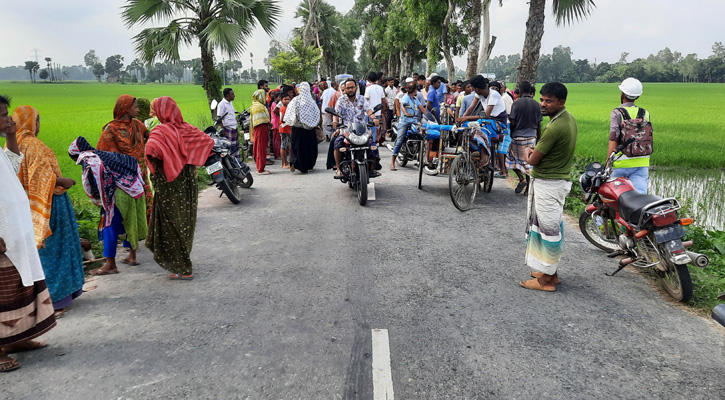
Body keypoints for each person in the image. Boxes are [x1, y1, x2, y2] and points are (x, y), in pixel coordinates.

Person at [0, 95, 57, 373]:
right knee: (2, 294)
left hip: (14, 231)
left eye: (8, 114)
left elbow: (13, 164)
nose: (8, 119)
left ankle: (14, 340)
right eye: (2, 115)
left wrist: (10, 135)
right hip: (1, 237)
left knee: (19, 288)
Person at [12, 106, 84, 314]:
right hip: (51, 204)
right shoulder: (34, 145)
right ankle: (56, 297)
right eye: (37, 121)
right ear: (31, 123)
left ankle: (49, 297)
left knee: (44, 251)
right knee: (57, 250)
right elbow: (43, 178)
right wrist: (64, 180)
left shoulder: (14, 146)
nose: (39, 126)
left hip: (30, 207)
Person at [144, 97, 214, 280]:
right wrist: (186, 157)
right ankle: (182, 260)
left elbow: (151, 151)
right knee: (185, 220)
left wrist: (165, 161)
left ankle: (182, 267)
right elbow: (206, 141)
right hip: (188, 179)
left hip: (170, 182)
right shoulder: (187, 128)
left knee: (170, 221)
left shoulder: (161, 131)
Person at [519, 82, 578, 292]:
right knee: (546, 227)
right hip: (555, 182)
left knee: (548, 231)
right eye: (542, 99)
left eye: (548, 101)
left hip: (549, 184)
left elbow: (533, 160)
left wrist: (527, 152)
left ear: (561, 102)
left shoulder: (554, 127)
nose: (543, 104)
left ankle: (547, 280)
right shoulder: (567, 118)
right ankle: (547, 271)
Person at [69, 137, 147, 276]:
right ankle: (132, 256)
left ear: (77, 153)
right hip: (134, 189)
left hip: (117, 195)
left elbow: (95, 183)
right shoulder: (103, 154)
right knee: (130, 222)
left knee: (108, 226)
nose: (75, 161)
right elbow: (132, 161)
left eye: (73, 157)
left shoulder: (88, 159)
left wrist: (101, 200)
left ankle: (110, 265)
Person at [98, 94, 152, 224]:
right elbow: (101, 155)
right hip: (123, 179)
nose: (138, 110)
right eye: (135, 107)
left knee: (147, 204)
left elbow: (152, 137)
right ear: (126, 108)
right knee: (126, 210)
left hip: (141, 173)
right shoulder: (110, 130)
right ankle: (128, 235)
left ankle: (146, 233)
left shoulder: (138, 125)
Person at [608, 77, 651, 194]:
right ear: (638, 96)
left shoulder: (617, 113)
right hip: (642, 163)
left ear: (622, 93)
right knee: (639, 200)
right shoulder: (645, 113)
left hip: (620, 163)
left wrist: (608, 163)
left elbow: (613, 139)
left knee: (614, 198)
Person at [332, 79, 380, 176]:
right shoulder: (341, 100)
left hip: (361, 130)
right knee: (337, 144)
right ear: (344, 89)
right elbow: (336, 113)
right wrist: (335, 121)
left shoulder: (362, 99)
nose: (350, 89)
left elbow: (369, 110)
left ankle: (371, 168)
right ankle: (338, 169)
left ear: (356, 88)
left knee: (373, 146)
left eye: (352, 87)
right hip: (346, 130)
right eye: (348, 88)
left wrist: (374, 118)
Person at [507, 81, 542, 195]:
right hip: (532, 137)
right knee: (529, 162)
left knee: (510, 159)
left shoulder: (516, 103)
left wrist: (511, 133)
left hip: (518, 136)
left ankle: (521, 178)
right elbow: (539, 124)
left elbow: (512, 122)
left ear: (520, 91)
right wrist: (538, 138)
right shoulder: (536, 104)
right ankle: (528, 189)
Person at [284, 82, 320, 174]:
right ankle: (309, 166)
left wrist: (293, 121)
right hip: (309, 129)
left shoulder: (295, 100)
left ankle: (297, 164)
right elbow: (316, 115)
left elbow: (289, 113)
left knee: (297, 147)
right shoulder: (311, 102)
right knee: (310, 147)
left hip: (297, 129)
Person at [391, 81, 427, 170]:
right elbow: (403, 106)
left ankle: (419, 159)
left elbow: (422, 108)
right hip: (404, 122)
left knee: (422, 137)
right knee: (399, 141)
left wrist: (429, 116)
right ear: (415, 90)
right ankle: (392, 162)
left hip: (414, 121)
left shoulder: (415, 99)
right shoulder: (405, 98)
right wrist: (406, 113)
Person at [488, 81, 512, 179]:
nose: (494, 91)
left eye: (496, 88)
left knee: (501, 150)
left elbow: (509, 113)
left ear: (501, 89)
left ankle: (503, 171)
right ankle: (502, 169)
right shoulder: (500, 97)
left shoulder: (504, 98)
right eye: (491, 88)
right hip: (501, 124)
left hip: (505, 124)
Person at [251, 89, 271, 175]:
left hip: (260, 128)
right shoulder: (258, 106)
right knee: (261, 148)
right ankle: (260, 168)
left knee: (260, 147)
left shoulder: (255, 105)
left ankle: (260, 167)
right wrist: (269, 123)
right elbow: (262, 119)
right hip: (261, 128)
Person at [217, 88, 240, 160]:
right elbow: (219, 117)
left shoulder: (230, 103)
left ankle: (237, 162)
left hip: (234, 127)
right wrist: (222, 128)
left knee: (236, 146)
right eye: (232, 94)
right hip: (228, 128)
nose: (234, 96)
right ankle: (231, 162)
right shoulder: (222, 104)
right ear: (227, 95)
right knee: (230, 147)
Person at [364, 72, 385, 142]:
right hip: (378, 112)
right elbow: (383, 100)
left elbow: (366, 100)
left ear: (369, 79)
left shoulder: (368, 88)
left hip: (369, 113)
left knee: (368, 129)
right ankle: (373, 143)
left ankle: (370, 143)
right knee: (374, 129)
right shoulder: (380, 88)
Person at [278, 94, 292, 168]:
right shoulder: (283, 108)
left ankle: (286, 162)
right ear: (281, 100)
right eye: (285, 99)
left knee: (287, 145)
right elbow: (282, 119)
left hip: (287, 128)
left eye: (288, 99)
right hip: (284, 128)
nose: (287, 101)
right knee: (283, 145)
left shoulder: (287, 107)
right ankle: (284, 163)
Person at [270, 91, 282, 160]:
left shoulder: (275, 103)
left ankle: (278, 153)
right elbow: (276, 113)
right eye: (279, 97)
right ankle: (277, 154)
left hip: (276, 122)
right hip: (276, 122)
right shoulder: (274, 104)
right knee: (276, 140)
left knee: (277, 139)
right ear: (276, 98)